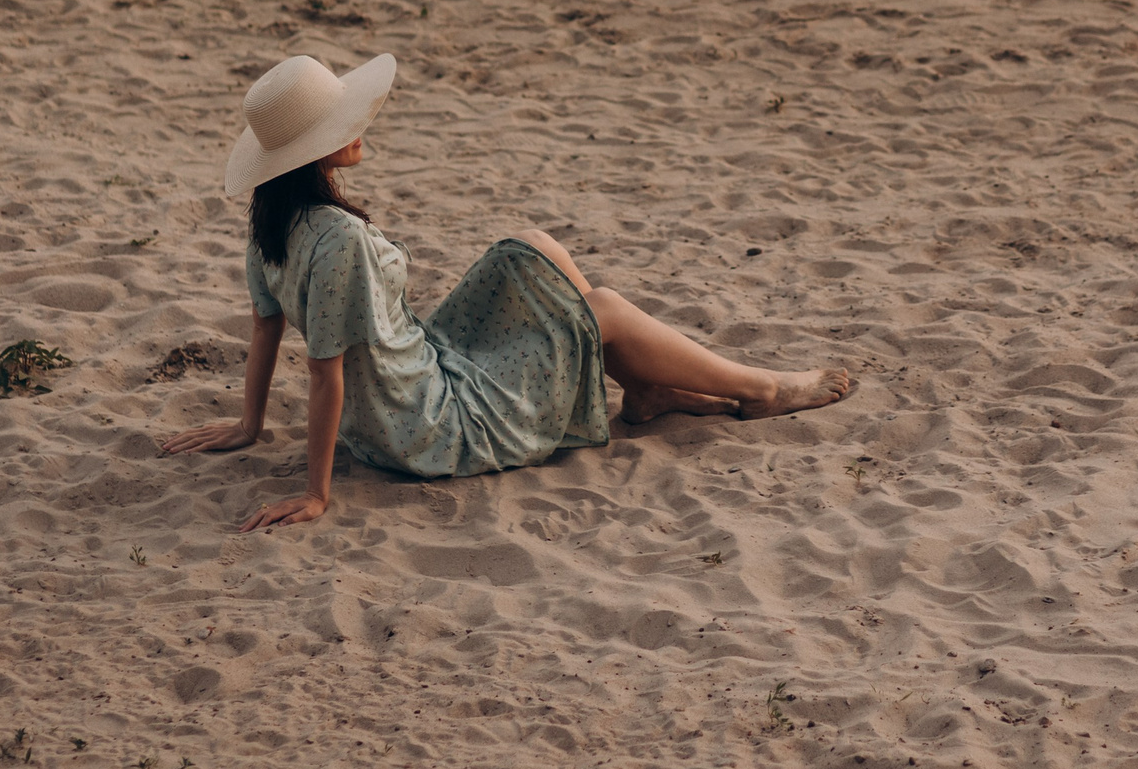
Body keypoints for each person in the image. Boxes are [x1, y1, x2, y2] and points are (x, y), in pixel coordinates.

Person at [160, 54, 852, 529]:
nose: (360, 123)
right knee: (601, 305)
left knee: (531, 248)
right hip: (428, 420)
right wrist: (316, 492)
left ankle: (646, 387)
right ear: (313, 150)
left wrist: (250, 424)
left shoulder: (270, 226)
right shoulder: (339, 241)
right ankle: (759, 389)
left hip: (415, 368)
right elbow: (322, 374)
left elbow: (264, 328)